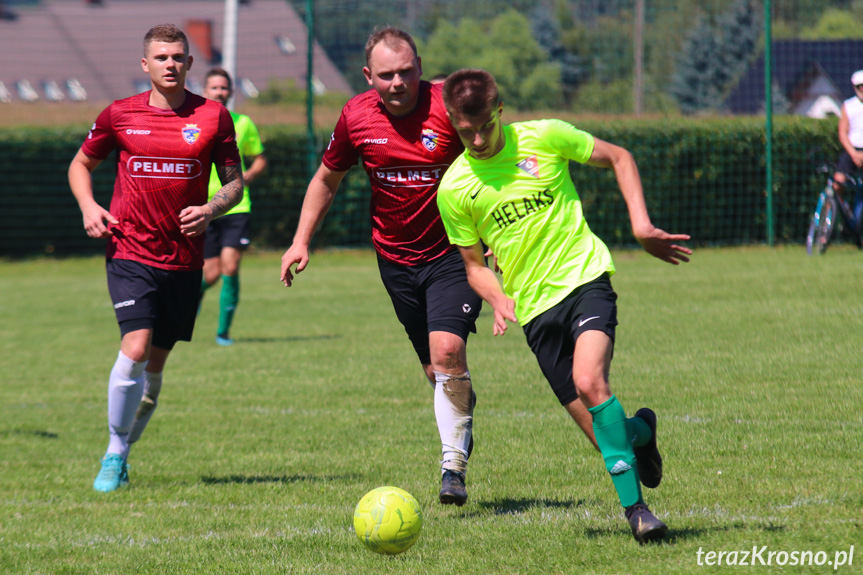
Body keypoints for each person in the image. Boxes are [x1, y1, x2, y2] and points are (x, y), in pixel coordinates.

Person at [281, 27, 559, 506]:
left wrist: (497, 239)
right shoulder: (355, 116)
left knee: (448, 352)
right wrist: (300, 241)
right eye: (386, 74)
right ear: (368, 76)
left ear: (420, 67)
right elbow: (328, 178)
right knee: (436, 370)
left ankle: (453, 467)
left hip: (455, 255)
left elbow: (495, 161)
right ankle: (461, 419)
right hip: (394, 259)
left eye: (406, 71)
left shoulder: (447, 107)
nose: (397, 82)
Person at [436, 68, 692, 543]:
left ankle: (638, 514)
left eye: (484, 126)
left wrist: (641, 227)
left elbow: (619, 157)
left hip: (584, 279)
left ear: (499, 110)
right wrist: (497, 296)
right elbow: (473, 265)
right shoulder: (453, 189)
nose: (476, 138)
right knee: (606, 437)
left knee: (589, 381)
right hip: (534, 312)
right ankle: (640, 433)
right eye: (463, 130)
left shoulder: (545, 136)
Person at [68, 24, 243, 493]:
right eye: (161, 57)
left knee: (155, 369)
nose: (170, 64)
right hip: (129, 252)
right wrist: (89, 206)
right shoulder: (119, 115)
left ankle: (123, 450)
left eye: (178, 57)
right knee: (136, 348)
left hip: (184, 260)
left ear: (190, 64)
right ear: (145, 65)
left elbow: (234, 184)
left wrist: (210, 208)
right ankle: (113, 453)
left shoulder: (214, 117)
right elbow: (81, 163)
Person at [199, 68, 268, 346]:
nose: (219, 92)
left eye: (224, 88)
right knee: (211, 272)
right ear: (205, 91)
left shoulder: (243, 123)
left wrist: (249, 175)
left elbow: (260, 158)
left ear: (231, 92)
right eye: (214, 88)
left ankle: (223, 332)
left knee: (231, 265)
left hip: (236, 206)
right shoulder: (195, 124)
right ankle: (192, 298)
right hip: (203, 207)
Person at [834, 70, 863, 193]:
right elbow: (842, 133)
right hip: (852, 150)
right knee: (837, 182)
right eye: (859, 87)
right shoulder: (848, 106)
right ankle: (837, 209)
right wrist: (854, 154)